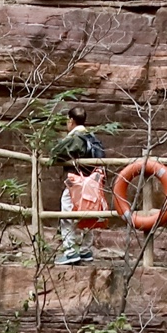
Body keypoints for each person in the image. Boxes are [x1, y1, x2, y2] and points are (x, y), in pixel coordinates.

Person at [50, 108, 106, 266]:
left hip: (76, 182)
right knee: (88, 211)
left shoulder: (75, 137)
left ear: (71, 120)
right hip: (92, 184)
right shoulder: (92, 136)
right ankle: (86, 249)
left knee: (66, 209)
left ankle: (70, 251)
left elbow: (55, 154)